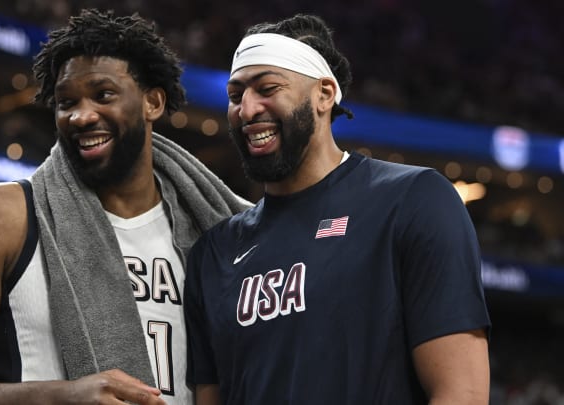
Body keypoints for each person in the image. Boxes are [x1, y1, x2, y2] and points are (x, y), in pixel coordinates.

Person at [0, 9, 249, 405]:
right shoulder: (2, 216)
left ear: (153, 102)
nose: (81, 116)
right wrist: (61, 397)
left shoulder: (216, 233)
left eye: (103, 95)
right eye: (67, 103)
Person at [184, 14, 491, 405]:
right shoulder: (213, 253)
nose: (246, 109)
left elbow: (461, 392)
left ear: (324, 95)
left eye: (267, 88)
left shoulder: (412, 199)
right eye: (235, 94)